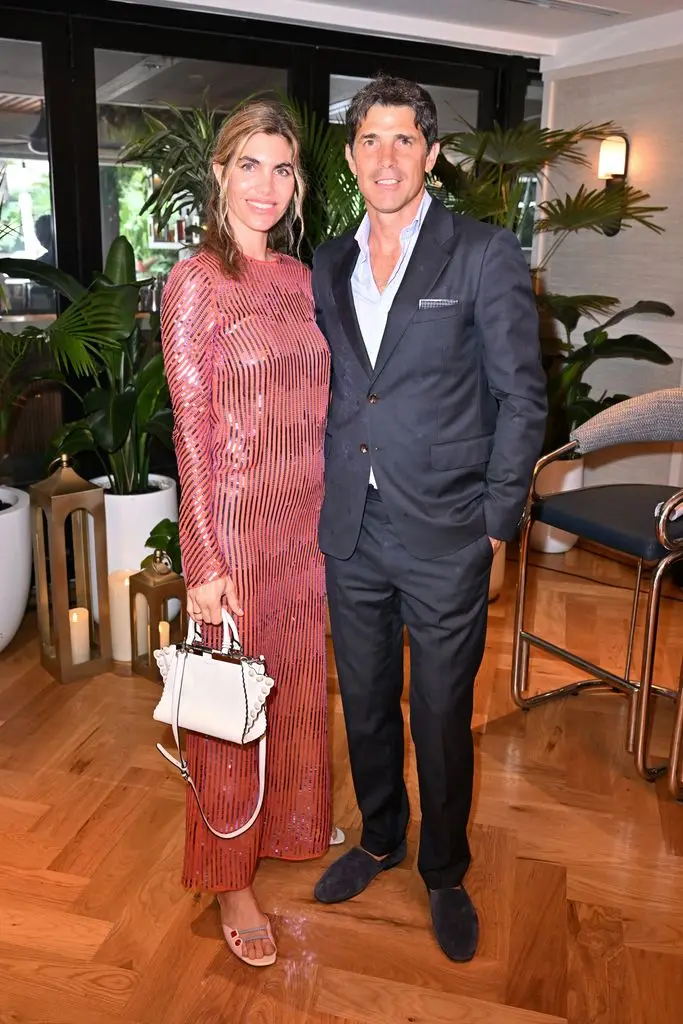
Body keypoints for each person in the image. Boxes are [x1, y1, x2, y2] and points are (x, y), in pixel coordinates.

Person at [312, 76, 547, 962]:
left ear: (431, 154)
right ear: (349, 157)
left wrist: (492, 523)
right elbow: (335, 391)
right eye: (370, 139)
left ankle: (444, 870)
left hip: (447, 529)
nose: (385, 157)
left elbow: (522, 398)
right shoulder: (326, 263)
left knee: (440, 716)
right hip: (352, 529)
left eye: (403, 139)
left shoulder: (482, 252)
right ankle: (380, 838)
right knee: (366, 703)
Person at [161, 99, 332, 968]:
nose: (266, 184)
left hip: (303, 528)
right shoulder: (195, 282)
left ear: (297, 183)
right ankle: (230, 876)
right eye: (250, 165)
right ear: (221, 173)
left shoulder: (303, 281)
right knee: (229, 715)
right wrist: (201, 561)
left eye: (283, 167)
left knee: (294, 691)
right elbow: (190, 428)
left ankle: (285, 826)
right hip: (232, 531)